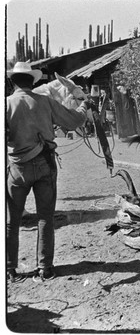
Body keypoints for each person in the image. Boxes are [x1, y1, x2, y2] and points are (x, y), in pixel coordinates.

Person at [6, 62, 89, 282]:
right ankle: (45, 268)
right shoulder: (46, 102)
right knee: (45, 218)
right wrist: (84, 106)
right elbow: (74, 122)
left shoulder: (5, 105)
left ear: (12, 81)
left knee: (12, 221)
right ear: (33, 81)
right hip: (44, 164)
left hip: (17, 168)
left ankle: (9, 269)